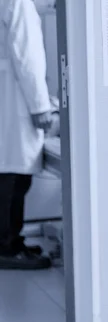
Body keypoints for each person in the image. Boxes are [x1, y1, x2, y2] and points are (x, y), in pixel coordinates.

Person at [0, 0, 58, 269]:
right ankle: (7, 247)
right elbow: (28, 55)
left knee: (9, 175)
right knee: (12, 180)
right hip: (15, 101)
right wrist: (40, 106)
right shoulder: (17, 2)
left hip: (9, 98)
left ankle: (12, 242)